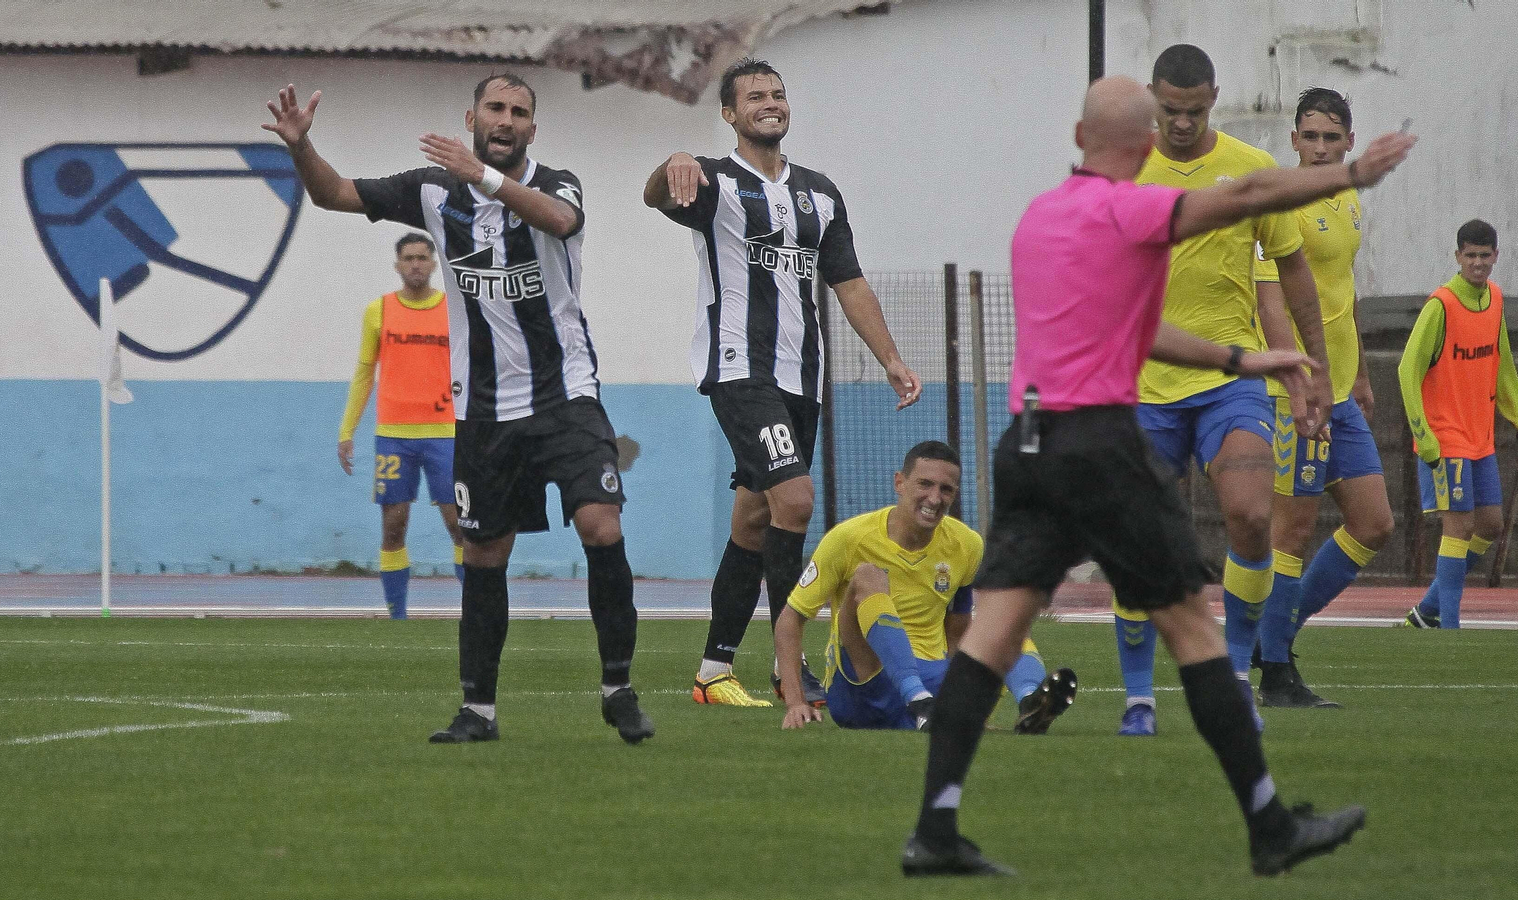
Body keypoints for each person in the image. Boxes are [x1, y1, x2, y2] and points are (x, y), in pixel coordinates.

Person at [900, 75, 1415, 878]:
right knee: (1195, 629)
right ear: (1145, 148)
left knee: (994, 634)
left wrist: (1245, 359)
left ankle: (934, 829)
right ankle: (1271, 827)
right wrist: (1350, 174)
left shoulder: (1039, 219)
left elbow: (1133, 331)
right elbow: (1245, 193)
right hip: (1102, 447)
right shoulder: (1130, 209)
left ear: (1077, 135)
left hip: (1028, 445)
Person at [265, 73, 655, 744]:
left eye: (520, 112)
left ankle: (618, 687)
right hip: (482, 411)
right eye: (495, 109)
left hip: (566, 396)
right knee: (484, 553)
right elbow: (334, 194)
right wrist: (302, 146)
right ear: (471, 116)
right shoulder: (432, 191)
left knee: (602, 525)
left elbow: (562, 222)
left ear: (534, 128)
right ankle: (479, 710)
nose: (506, 120)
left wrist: (486, 178)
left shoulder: (556, 184)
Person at [643, 57, 922, 709]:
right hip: (740, 369)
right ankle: (786, 668)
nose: (770, 102)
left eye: (778, 93)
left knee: (754, 519)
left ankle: (713, 672)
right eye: (755, 96)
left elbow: (847, 282)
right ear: (730, 115)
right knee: (795, 500)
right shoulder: (712, 181)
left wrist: (890, 357)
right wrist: (673, 161)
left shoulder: (820, 194)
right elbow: (655, 195)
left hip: (802, 377)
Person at [1113, 45, 1335, 736]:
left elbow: (1294, 270)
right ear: (1152, 97)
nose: (1182, 123)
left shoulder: (1251, 169)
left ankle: (1236, 676)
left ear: (1215, 97)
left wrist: (1314, 367)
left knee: (1247, 515)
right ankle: (1138, 697)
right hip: (1142, 386)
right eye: (1170, 111)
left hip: (1230, 382)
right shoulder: (1122, 169)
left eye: (1196, 110)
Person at [774, 441, 1076, 733]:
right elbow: (790, 619)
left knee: (1003, 616)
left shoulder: (966, 545)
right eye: (925, 484)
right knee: (867, 575)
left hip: (933, 682)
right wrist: (796, 702)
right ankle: (916, 699)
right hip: (862, 687)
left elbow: (958, 631)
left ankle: (1030, 701)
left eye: (946, 489)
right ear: (899, 483)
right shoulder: (848, 538)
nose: (935, 498)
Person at [1252, 89, 1395, 707]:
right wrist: (1298, 377)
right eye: (1309, 137)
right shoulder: (1281, 202)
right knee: (1293, 528)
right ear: (1293, 143)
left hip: (1338, 388)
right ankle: (1277, 672)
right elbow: (1268, 295)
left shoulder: (1347, 199)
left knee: (1374, 524)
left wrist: (1358, 374)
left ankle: (1273, 635)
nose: (1319, 149)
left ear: (1349, 144)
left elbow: (1343, 291)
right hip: (1296, 393)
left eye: (1330, 138)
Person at [1399, 220, 1518, 629]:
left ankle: (1427, 611)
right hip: (1445, 437)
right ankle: (1451, 628)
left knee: (1490, 525)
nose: (1478, 263)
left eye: (1485, 255)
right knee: (1458, 527)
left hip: (1481, 438)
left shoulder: (1495, 298)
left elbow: (1502, 359)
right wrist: (1424, 436)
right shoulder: (1441, 305)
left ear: (1496, 256)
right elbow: (1408, 370)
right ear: (1457, 256)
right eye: (1470, 255)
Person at [337, 233, 465, 620]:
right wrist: (347, 431)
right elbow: (364, 373)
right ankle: (397, 616)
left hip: (446, 435)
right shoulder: (379, 311)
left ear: (433, 263)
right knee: (393, 526)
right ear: (397, 265)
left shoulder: (453, 311)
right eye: (408, 258)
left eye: (423, 258)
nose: (416, 265)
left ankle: (477, 610)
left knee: (460, 525)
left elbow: (475, 366)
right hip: (394, 436)